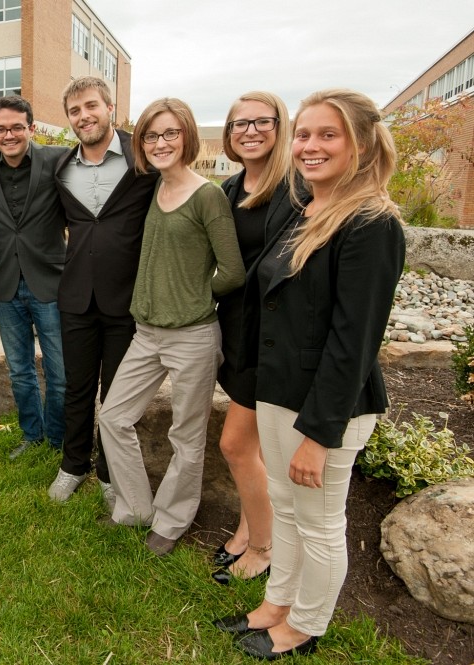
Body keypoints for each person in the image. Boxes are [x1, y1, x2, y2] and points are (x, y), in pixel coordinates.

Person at [214, 89, 405, 660]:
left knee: (319, 523)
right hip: (277, 390)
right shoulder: (306, 208)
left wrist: (321, 436)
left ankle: (305, 625)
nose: (310, 146)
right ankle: (276, 605)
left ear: (363, 144)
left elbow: (354, 342)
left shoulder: (372, 223)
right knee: (286, 508)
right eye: (305, 134)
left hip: (328, 408)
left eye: (329, 135)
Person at [97, 98, 244, 556]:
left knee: (186, 433)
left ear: (188, 138)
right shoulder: (155, 190)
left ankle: (174, 519)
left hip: (193, 336)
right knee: (113, 416)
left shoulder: (207, 195)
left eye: (170, 134)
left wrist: (195, 300)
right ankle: (137, 508)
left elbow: (233, 271)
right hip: (147, 332)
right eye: (151, 135)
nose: (160, 143)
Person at [50, 76, 158, 506]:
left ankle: (110, 475)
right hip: (76, 298)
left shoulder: (143, 156)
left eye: (91, 106)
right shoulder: (62, 167)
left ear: (110, 107)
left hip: (127, 299)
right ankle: (72, 466)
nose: (83, 116)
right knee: (76, 388)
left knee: (116, 396)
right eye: (75, 111)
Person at [212, 92, 295, 583]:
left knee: (235, 445)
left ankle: (265, 549)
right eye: (240, 123)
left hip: (274, 335)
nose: (250, 130)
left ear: (279, 126)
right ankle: (248, 529)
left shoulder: (298, 188)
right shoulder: (228, 188)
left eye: (262, 121)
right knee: (256, 449)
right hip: (238, 328)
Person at [0, 95, 69, 459]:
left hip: (50, 282)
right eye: (1, 128)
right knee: (19, 371)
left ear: (31, 128)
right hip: (5, 285)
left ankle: (59, 440)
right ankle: (32, 436)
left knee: (60, 373)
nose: (9, 134)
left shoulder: (57, 160)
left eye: (17, 127)